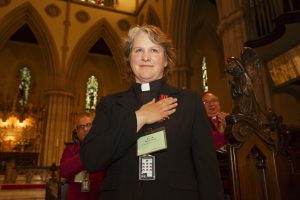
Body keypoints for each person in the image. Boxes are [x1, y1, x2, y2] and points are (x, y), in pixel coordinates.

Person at [80, 24, 224, 200]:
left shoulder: (189, 101)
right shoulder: (109, 104)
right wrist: (139, 118)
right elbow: (91, 159)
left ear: (165, 60)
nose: (146, 57)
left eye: (154, 50)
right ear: (129, 59)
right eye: (138, 50)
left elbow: (207, 167)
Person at [59, 114, 106, 200]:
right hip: (76, 196)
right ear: (77, 132)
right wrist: (86, 152)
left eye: (88, 125)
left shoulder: (104, 149)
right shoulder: (70, 150)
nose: (85, 129)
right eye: (81, 126)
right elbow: (64, 171)